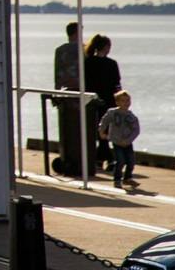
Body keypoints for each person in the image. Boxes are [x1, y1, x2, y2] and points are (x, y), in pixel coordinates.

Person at [83, 34, 122, 177]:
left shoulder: (87, 63)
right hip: (109, 100)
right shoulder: (112, 64)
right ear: (105, 47)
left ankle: (100, 158)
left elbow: (86, 82)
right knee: (107, 129)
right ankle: (109, 159)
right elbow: (117, 84)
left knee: (99, 129)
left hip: (93, 100)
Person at [52, 22, 83, 176]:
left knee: (67, 128)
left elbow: (57, 72)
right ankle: (81, 159)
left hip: (64, 92)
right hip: (80, 91)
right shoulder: (82, 50)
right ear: (76, 33)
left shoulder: (60, 50)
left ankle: (69, 157)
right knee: (80, 128)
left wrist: (56, 92)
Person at [99, 91, 142, 191]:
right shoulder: (113, 113)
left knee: (131, 161)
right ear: (117, 102)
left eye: (127, 101)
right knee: (121, 161)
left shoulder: (131, 116)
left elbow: (136, 130)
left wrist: (129, 140)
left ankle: (127, 178)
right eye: (123, 101)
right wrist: (101, 132)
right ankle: (117, 179)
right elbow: (104, 121)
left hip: (127, 142)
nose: (126, 103)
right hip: (117, 141)